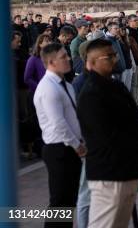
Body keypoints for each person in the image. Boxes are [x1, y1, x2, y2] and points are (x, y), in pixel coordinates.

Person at [77, 39, 138, 228]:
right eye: (109, 57)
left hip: (128, 170)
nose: (114, 60)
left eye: (115, 55)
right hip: (109, 172)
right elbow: (107, 135)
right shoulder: (91, 93)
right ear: (92, 61)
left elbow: (135, 122)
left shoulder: (116, 87)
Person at [33, 43, 85, 227]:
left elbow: (73, 117)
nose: (68, 59)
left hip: (69, 148)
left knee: (68, 201)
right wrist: (77, 145)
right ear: (51, 62)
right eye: (63, 57)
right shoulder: (48, 88)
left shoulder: (66, 85)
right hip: (59, 149)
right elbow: (58, 124)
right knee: (60, 202)